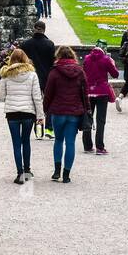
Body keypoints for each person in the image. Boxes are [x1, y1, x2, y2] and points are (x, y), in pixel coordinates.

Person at [43, 46, 88, 183]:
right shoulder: (80, 72)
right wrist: (87, 109)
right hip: (74, 112)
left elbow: (48, 93)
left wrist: (45, 110)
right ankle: (66, 174)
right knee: (70, 143)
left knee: (58, 140)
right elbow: (84, 94)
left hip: (58, 111)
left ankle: (57, 171)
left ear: (59, 57)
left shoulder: (55, 72)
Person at [0, 48, 42, 184]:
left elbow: (1, 97)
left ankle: (20, 173)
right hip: (28, 112)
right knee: (26, 141)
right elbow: (37, 97)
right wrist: (40, 115)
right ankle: (28, 170)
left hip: (12, 113)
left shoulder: (6, 74)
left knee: (16, 144)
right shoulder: (32, 74)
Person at [19, 20, 56, 138]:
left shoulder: (25, 44)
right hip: (46, 78)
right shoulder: (49, 44)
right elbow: (52, 63)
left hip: (30, 77)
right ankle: (49, 129)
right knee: (49, 103)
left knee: (35, 105)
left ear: (34, 29)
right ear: (44, 30)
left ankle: (38, 130)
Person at [83, 40, 119, 155]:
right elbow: (115, 74)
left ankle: (87, 146)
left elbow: (84, 73)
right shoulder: (106, 59)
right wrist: (112, 63)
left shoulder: (87, 58)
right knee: (100, 120)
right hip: (102, 92)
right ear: (105, 49)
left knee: (88, 117)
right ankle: (99, 147)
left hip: (89, 91)